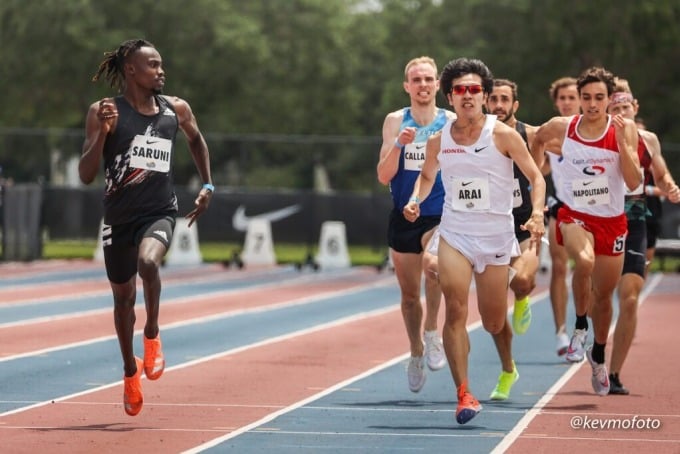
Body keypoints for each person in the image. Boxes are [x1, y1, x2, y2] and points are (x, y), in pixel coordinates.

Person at [403, 58, 545, 424]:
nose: (468, 96)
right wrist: (415, 200)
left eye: (474, 90)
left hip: (496, 237)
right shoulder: (439, 140)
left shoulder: (502, 134)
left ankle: (507, 336)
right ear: (450, 97)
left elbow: (535, 177)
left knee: (494, 322)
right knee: (455, 308)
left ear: (483, 95)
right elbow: (427, 176)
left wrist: (538, 213)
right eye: (461, 90)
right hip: (456, 234)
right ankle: (464, 393)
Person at [79, 39, 213, 416]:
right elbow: (86, 174)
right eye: (152, 65)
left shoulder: (176, 108)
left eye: (161, 64)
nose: (161, 70)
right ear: (131, 70)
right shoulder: (105, 112)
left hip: (159, 212)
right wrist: (103, 134)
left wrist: (207, 185)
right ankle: (128, 372)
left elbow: (197, 141)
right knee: (123, 301)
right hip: (118, 219)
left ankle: (152, 335)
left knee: (149, 264)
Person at [531, 67, 641, 396]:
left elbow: (634, 182)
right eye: (586, 98)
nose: (592, 104)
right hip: (574, 214)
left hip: (612, 220)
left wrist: (622, 145)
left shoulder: (625, 128)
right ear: (579, 99)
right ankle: (579, 326)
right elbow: (535, 138)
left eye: (599, 98)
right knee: (584, 261)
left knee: (605, 299)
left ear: (609, 99)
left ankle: (598, 354)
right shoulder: (564, 127)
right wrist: (537, 180)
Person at [377, 56, 455, 393]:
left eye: (428, 79)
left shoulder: (451, 120)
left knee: (434, 267)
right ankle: (416, 351)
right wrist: (399, 144)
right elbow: (383, 176)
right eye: (416, 80)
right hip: (403, 215)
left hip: (440, 213)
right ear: (407, 86)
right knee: (409, 296)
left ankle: (432, 330)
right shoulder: (396, 121)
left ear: (438, 85)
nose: (423, 85)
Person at [606, 84, 680, 395]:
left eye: (625, 108)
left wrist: (670, 185)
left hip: (635, 222)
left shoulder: (648, 140)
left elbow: (661, 174)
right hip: (600, 221)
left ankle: (614, 373)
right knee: (597, 298)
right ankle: (593, 341)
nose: (621, 114)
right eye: (615, 109)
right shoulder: (599, 137)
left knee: (631, 297)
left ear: (635, 108)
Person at [484, 78, 543, 401]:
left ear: (515, 105)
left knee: (521, 279)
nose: (499, 105)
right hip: (489, 225)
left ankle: (522, 296)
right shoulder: (476, 135)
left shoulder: (530, 135)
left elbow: (542, 174)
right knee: (492, 318)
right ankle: (508, 370)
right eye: (493, 99)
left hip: (523, 223)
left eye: (505, 99)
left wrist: (538, 212)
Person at [542, 77, 580, 357]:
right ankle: (561, 332)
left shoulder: (595, 129)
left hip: (594, 209)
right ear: (556, 102)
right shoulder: (551, 131)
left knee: (588, 270)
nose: (567, 102)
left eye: (572, 97)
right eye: (562, 98)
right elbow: (539, 170)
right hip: (562, 206)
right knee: (559, 266)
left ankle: (582, 327)